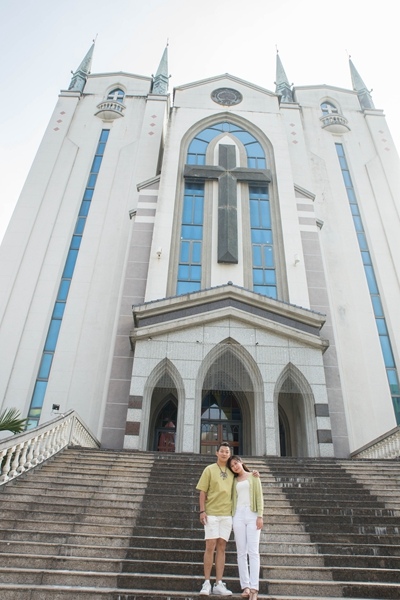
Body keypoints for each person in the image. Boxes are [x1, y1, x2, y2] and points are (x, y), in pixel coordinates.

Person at [196, 442, 234, 596]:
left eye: (227, 451)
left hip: (227, 514)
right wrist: (202, 511)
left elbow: (247, 477)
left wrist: (255, 474)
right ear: (216, 453)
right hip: (211, 513)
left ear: (230, 454)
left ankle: (219, 583)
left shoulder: (233, 471)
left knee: (222, 547)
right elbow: (202, 492)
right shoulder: (209, 469)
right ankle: (206, 582)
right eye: (222, 451)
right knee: (210, 546)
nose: (224, 453)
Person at [228, 455, 263, 600]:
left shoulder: (254, 476)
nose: (235, 466)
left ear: (241, 462)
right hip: (238, 515)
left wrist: (260, 515)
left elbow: (260, 497)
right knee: (241, 552)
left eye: (236, 463)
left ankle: (254, 588)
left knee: (253, 552)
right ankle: (246, 586)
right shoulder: (233, 480)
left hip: (252, 513)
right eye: (232, 466)